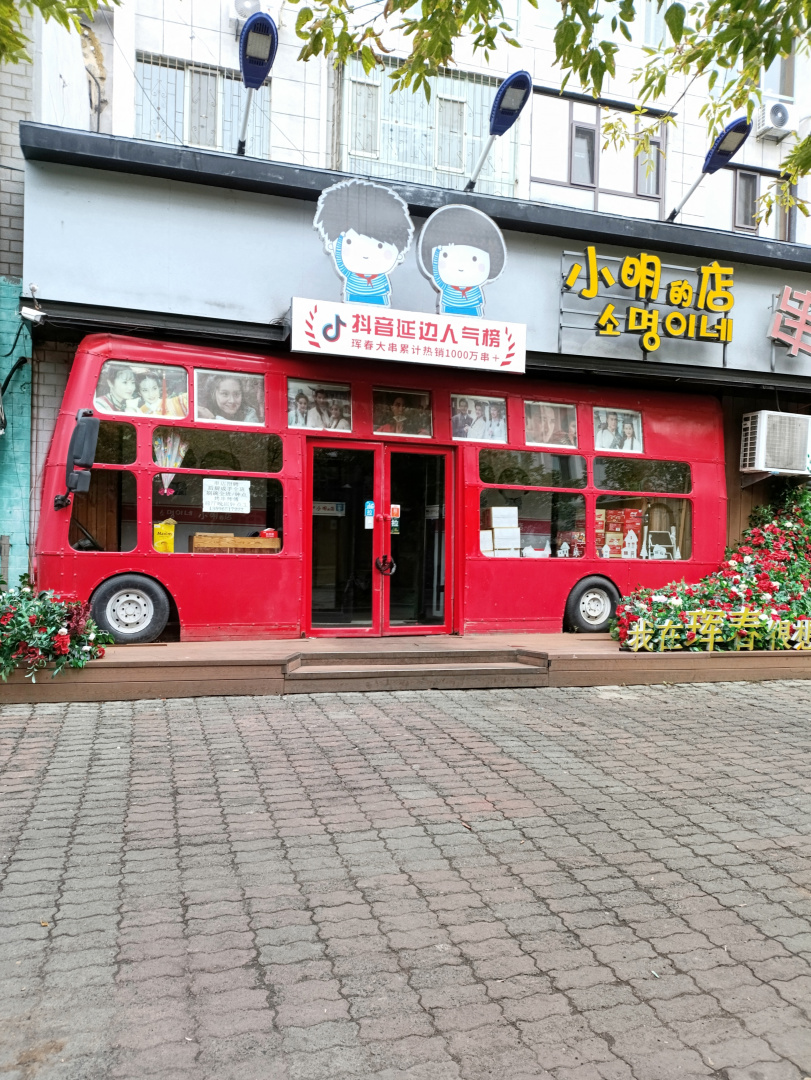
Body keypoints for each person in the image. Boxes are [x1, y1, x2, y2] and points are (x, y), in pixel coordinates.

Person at [314, 178, 414, 306]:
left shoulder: (381, 277)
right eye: (349, 242)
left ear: (399, 253)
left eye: (380, 246)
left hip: (381, 302)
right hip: (352, 298)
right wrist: (339, 242)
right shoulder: (350, 274)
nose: (366, 254)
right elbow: (340, 261)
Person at [417, 204, 507, 318]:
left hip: (474, 312)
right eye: (447, 256)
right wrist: (437, 254)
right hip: (448, 309)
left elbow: (479, 301)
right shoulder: (446, 286)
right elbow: (437, 277)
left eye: (474, 259)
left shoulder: (475, 289)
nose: (462, 265)